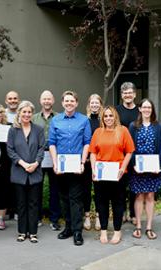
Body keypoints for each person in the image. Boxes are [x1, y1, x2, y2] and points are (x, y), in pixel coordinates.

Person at [49, 90, 91, 246]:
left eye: (72, 101)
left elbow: (87, 142)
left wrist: (82, 163)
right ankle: (68, 228)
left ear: (77, 103)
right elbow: (52, 143)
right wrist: (55, 164)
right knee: (64, 198)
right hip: (61, 167)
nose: (69, 103)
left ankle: (77, 231)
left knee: (75, 199)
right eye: (66, 101)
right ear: (62, 103)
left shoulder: (84, 120)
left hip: (76, 168)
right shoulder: (56, 120)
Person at [89, 106, 134, 244]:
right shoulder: (98, 132)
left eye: (111, 116)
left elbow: (129, 151)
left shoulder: (123, 131)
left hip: (118, 174)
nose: (108, 118)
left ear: (115, 117)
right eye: (106, 116)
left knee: (117, 203)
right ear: (102, 118)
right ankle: (103, 231)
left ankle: (117, 231)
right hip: (101, 174)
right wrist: (93, 170)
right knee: (101, 203)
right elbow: (93, 153)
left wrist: (123, 168)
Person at [7, 101, 45, 243]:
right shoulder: (13, 130)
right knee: (21, 204)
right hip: (19, 172)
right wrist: (23, 164)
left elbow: (42, 148)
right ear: (19, 113)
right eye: (24, 112)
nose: (27, 114)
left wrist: (36, 163)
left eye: (29, 112)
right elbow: (10, 150)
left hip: (35, 171)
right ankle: (22, 232)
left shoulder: (38, 129)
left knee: (34, 203)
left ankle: (33, 232)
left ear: (32, 114)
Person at [129, 99, 161, 240]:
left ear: (152, 109)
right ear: (140, 109)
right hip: (138, 167)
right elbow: (130, 148)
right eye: (144, 107)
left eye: (149, 107)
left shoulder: (158, 126)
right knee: (139, 196)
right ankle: (138, 225)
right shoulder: (133, 126)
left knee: (150, 196)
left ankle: (149, 227)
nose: (147, 110)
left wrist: (159, 166)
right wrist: (133, 165)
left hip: (153, 167)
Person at [32, 90, 61, 231]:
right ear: (40, 101)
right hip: (39, 156)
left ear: (53, 100)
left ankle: (54, 219)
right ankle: (36, 217)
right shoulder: (34, 118)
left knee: (55, 189)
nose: (47, 101)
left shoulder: (59, 117)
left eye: (49, 99)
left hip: (54, 155)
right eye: (44, 99)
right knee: (37, 188)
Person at [115, 82, 138, 224]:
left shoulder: (140, 111)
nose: (127, 95)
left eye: (130, 92)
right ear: (121, 95)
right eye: (124, 93)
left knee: (134, 184)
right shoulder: (116, 111)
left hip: (137, 153)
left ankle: (133, 213)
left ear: (135, 94)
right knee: (121, 185)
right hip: (120, 154)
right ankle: (122, 211)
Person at [83, 94, 103, 231]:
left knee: (99, 190)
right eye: (92, 103)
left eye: (97, 103)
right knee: (85, 189)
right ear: (89, 105)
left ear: (100, 104)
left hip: (101, 161)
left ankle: (98, 217)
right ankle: (86, 216)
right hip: (87, 160)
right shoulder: (84, 121)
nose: (94, 105)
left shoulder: (104, 121)